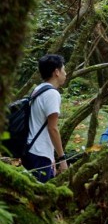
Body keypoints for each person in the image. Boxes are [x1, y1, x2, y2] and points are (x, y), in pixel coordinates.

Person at [22, 54, 67, 183]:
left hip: (31, 149)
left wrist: (50, 157)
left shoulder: (38, 89)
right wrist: (62, 159)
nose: (66, 73)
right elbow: (52, 128)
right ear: (56, 72)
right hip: (39, 154)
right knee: (40, 197)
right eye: (64, 69)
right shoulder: (52, 94)